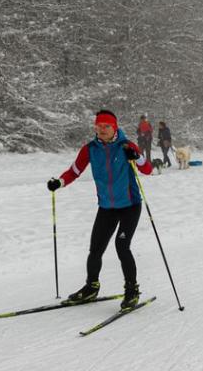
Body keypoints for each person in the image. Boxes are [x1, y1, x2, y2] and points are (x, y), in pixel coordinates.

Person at [47, 110, 153, 310]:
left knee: (122, 246)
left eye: (106, 126)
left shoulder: (126, 146)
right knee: (95, 249)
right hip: (106, 207)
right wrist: (59, 182)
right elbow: (74, 171)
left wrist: (136, 157)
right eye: (99, 126)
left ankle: (132, 290)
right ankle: (91, 287)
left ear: (115, 127)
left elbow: (147, 169)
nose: (102, 130)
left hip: (130, 205)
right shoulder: (90, 149)